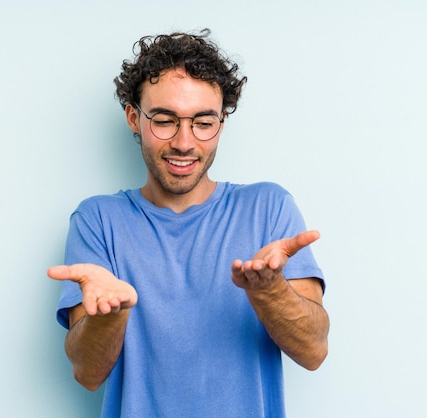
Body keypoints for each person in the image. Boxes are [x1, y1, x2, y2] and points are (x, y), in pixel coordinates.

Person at [48, 28, 329, 418]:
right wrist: (110, 317)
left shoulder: (268, 207)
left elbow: (314, 352)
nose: (184, 142)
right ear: (134, 117)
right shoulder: (98, 221)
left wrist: (271, 293)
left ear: (221, 123)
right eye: (164, 120)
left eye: (202, 122)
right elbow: (87, 373)